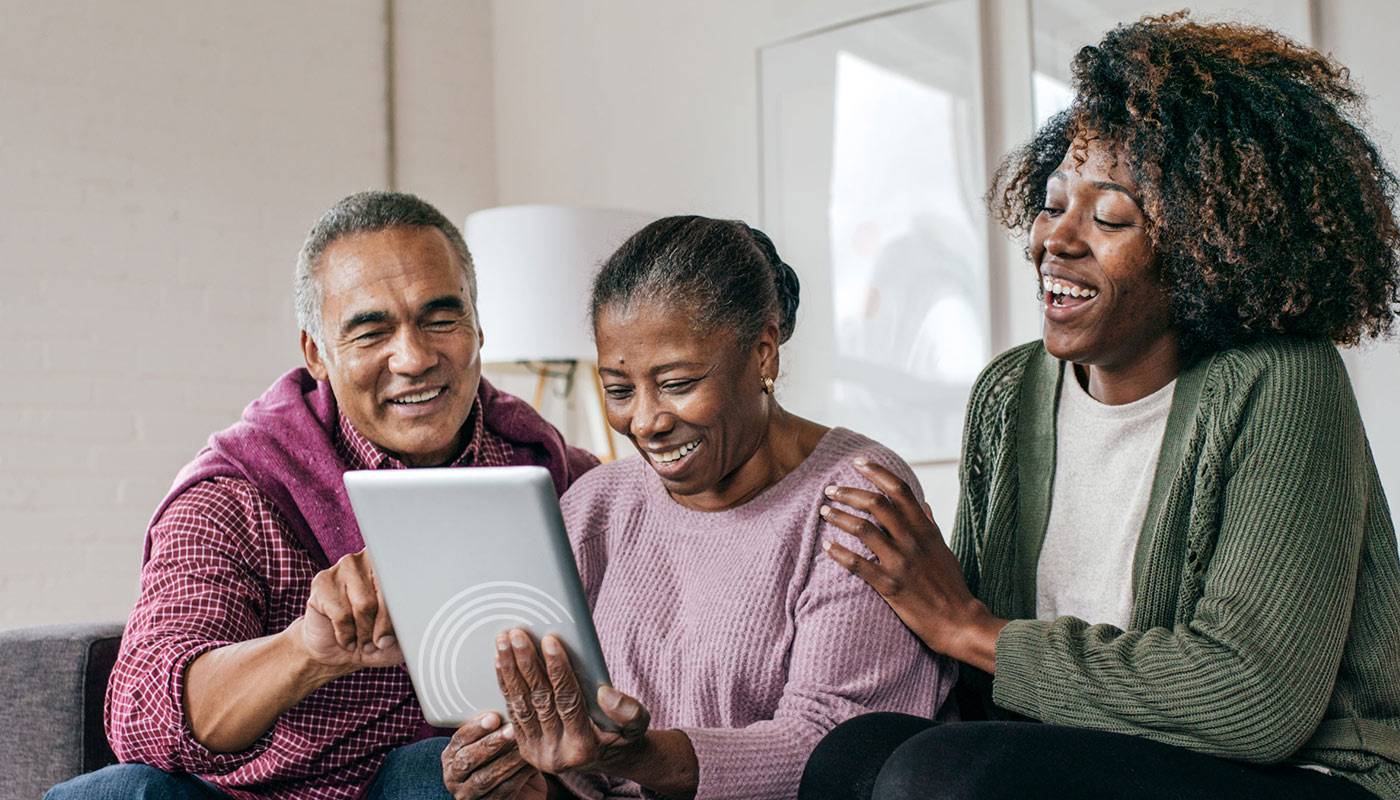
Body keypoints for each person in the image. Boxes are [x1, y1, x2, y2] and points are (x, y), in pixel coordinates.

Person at [800, 14, 1400, 800]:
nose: (1057, 238)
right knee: (855, 754)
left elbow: (1255, 698)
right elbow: (963, 662)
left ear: (1208, 247)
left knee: (946, 775)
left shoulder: (1282, 381)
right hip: (1080, 755)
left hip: (1304, 774)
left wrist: (977, 631)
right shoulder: (1008, 394)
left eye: (1109, 216)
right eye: (1053, 204)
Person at [46, 191, 597, 800]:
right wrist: (307, 651)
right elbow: (144, 717)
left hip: (422, 784)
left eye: (441, 319)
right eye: (371, 332)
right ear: (317, 353)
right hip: (251, 794)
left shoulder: (552, 475)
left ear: (477, 323)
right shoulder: (239, 490)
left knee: (438, 770)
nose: (414, 358)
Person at [418, 216, 956, 799]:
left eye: (677, 383)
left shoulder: (855, 497)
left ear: (764, 353)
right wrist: (529, 780)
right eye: (619, 390)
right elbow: (567, 743)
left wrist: (646, 758)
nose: (645, 422)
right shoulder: (600, 503)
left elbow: (835, 753)